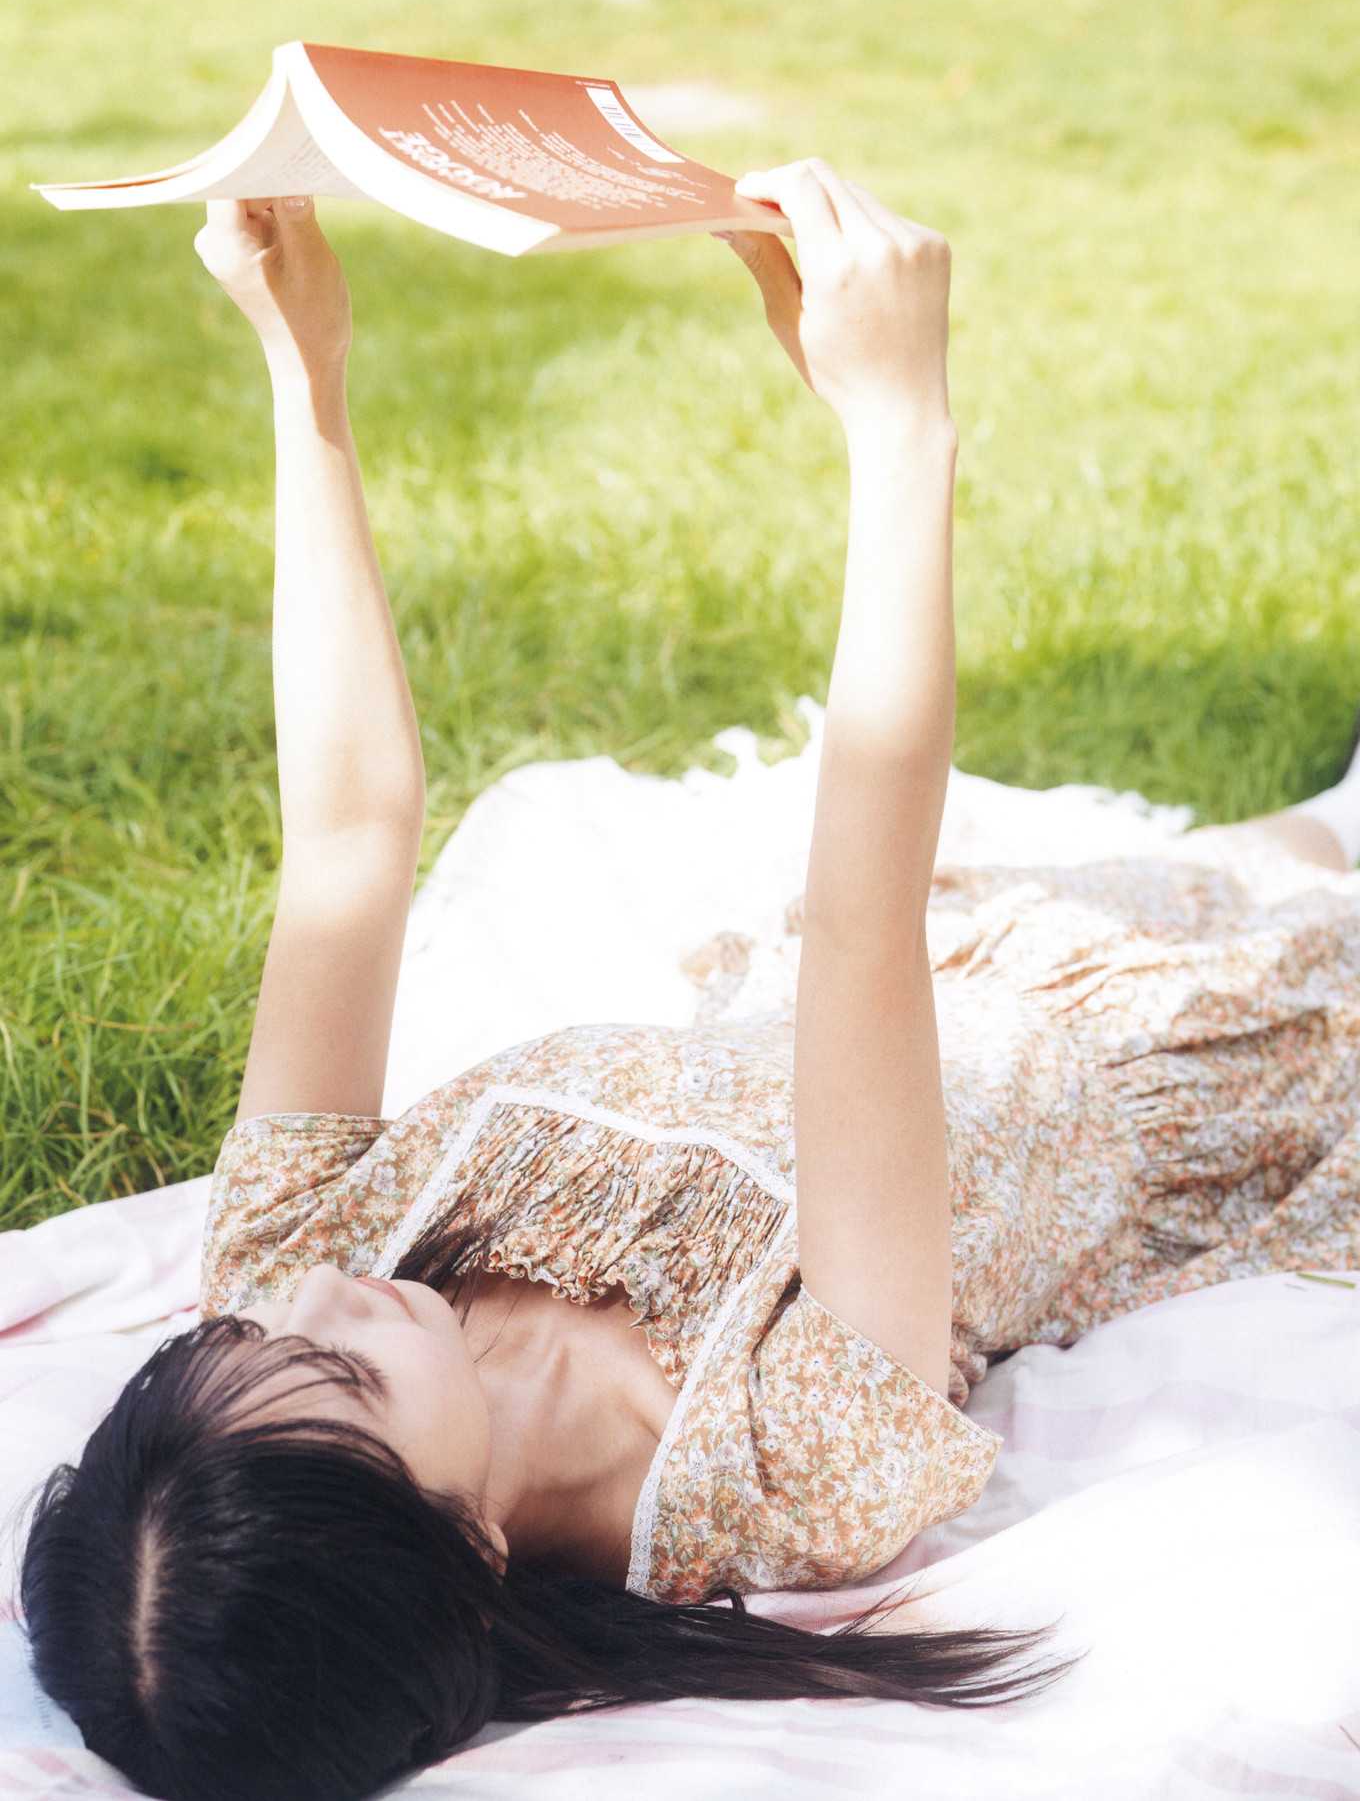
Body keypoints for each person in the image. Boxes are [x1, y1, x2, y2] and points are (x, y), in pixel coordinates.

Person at [20, 167, 1360, 1801]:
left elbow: (349, 839)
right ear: (467, 1546)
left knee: (1305, 836)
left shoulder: (286, 1270)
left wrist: (306, 370)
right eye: (348, 1374)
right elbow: (862, 926)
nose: (316, 1297)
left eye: (246, 1335)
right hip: (1157, 1049)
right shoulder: (788, 1462)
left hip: (945, 948)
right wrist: (902, 431)